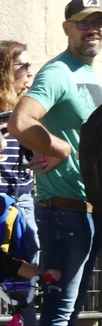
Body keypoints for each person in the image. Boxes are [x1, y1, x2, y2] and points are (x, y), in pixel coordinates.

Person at [8, 0, 102, 326]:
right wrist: (58, 147)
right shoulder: (57, 72)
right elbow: (21, 121)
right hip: (64, 212)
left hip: (87, 211)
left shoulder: (87, 74)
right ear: (67, 27)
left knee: (67, 312)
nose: (92, 30)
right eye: (83, 22)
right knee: (59, 313)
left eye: (98, 22)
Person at [0, 40, 40, 263]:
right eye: (24, 66)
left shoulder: (26, 108)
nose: (30, 73)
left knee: (30, 263)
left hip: (21, 200)